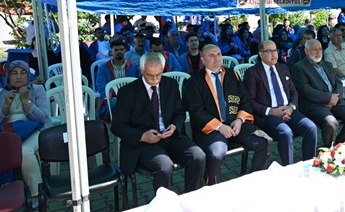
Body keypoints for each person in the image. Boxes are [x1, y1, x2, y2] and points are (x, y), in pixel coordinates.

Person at [111, 52, 205, 194]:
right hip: (143, 143)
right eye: (149, 75)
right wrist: (142, 136)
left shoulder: (170, 84)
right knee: (164, 167)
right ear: (141, 70)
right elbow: (117, 126)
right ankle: (164, 206)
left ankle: (192, 198)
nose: (154, 79)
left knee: (198, 156)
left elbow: (179, 112)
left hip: (170, 136)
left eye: (158, 74)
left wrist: (174, 126)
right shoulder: (127, 92)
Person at [184, 44, 271, 185]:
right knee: (217, 154)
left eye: (218, 54)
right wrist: (219, 126)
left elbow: (246, 100)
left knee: (264, 141)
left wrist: (240, 120)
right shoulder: (194, 81)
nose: (217, 58)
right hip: (211, 129)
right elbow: (196, 111)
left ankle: (255, 182)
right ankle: (213, 188)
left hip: (235, 125)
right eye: (211, 55)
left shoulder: (232, 74)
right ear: (203, 59)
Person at [243, 40, 317, 166]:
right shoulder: (253, 73)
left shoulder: (283, 68)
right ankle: (288, 169)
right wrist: (271, 111)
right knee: (285, 132)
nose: (274, 54)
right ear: (261, 54)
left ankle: (309, 165)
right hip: (267, 114)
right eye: (269, 51)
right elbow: (250, 101)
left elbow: (294, 92)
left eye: (275, 50)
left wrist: (291, 107)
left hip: (288, 110)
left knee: (311, 127)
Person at [291, 39, 345, 147]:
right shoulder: (298, 67)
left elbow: (338, 82)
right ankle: (329, 150)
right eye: (315, 50)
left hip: (335, 101)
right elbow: (305, 90)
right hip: (315, 105)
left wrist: (335, 98)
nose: (318, 52)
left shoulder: (327, 64)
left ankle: (339, 145)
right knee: (331, 123)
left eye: (320, 49)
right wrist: (328, 98)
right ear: (306, 51)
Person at [0, 60, 51, 199]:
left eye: (23, 73)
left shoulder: (37, 89)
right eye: (14, 73)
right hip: (9, 133)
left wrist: (25, 100)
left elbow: (42, 118)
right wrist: (6, 105)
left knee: (24, 151)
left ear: (28, 75)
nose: (18, 77)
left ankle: (36, 194)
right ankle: (6, 191)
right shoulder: (2, 93)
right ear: (8, 76)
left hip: (34, 130)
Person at [96, 40, 142, 119]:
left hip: (131, 97)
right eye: (116, 50)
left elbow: (139, 83)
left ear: (125, 51)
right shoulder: (103, 68)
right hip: (112, 98)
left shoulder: (134, 66)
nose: (119, 52)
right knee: (115, 104)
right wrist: (115, 94)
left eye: (121, 49)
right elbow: (101, 87)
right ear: (111, 51)